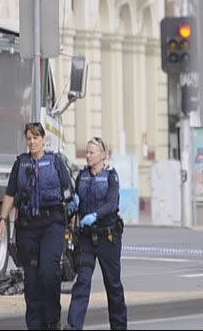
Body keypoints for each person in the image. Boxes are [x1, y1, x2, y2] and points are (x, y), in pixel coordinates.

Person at [0, 122, 73, 330]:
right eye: (29, 138)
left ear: (43, 139)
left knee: (48, 274)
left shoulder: (55, 162)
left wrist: (73, 219)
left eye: (35, 138)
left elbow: (68, 194)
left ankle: (52, 320)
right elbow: (10, 193)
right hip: (27, 228)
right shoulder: (20, 164)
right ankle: (35, 325)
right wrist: (2, 220)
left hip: (52, 225)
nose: (32, 142)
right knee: (31, 281)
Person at [66, 137, 127, 330]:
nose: (88, 155)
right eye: (87, 152)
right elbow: (75, 203)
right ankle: (74, 326)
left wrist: (95, 215)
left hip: (108, 237)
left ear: (103, 155)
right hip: (86, 238)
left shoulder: (111, 176)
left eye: (92, 152)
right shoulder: (81, 176)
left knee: (113, 285)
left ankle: (119, 326)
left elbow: (111, 204)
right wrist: (72, 206)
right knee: (82, 282)